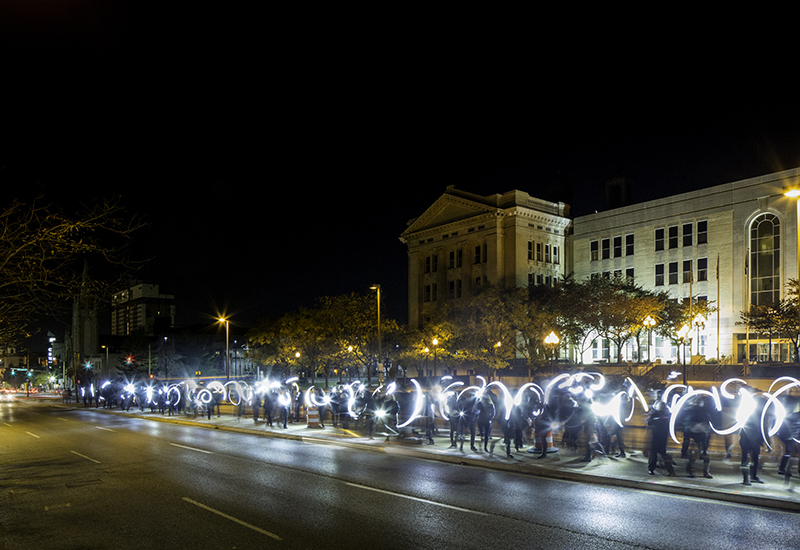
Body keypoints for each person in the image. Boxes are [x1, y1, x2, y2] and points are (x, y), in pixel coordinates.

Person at [682, 395, 713, 478]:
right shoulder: (692, 410)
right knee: (695, 453)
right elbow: (687, 421)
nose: (700, 403)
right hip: (695, 433)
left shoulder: (705, 410)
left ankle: (705, 472)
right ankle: (689, 470)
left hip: (703, 433)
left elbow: (709, 420)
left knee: (705, 454)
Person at [740, 395, 768, 485]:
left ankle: (752, 477)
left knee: (753, 459)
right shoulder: (750, 412)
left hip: (752, 439)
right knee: (747, 458)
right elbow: (764, 428)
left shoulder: (756, 413)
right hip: (748, 439)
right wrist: (768, 443)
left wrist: (768, 442)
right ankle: (747, 478)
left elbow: (764, 428)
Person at [646, 400, 676, 476]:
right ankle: (653, 469)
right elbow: (649, 422)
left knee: (659, 453)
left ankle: (668, 470)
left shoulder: (666, 414)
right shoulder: (656, 414)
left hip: (660, 436)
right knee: (656, 453)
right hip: (657, 436)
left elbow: (672, 423)